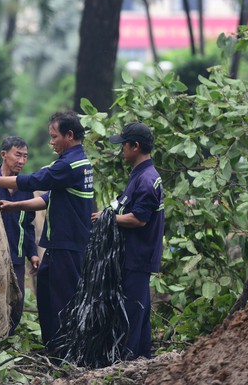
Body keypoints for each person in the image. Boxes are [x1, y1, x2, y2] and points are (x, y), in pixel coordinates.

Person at [0, 111, 93, 349]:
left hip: (68, 243)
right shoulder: (74, 162)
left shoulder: (70, 164)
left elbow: (35, 181)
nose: (51, 142)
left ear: (69, 135)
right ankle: (53, 347)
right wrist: (15, 206)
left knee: (63, 300)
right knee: (45, 291)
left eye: (54, 137)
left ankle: (67, 351)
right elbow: (47, 198)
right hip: (56, 244)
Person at [91, 121, 164, 359]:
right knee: (140, 310)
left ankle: (128, 361)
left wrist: (108, 217)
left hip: (138, 256)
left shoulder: (146, 179)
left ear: (135, 146)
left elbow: (139, 219)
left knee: (130, 312)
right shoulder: (140, 175)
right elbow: (124, 204)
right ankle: (144, 358)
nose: (121, 149)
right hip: (133, 255)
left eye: (124, 145)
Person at [0, 136, 40, 335]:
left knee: (16, 302)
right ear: (4, 155)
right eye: (18, 155)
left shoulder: (25, 188)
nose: (22, 161)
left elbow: (28, 224)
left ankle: (6, 337)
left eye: (25, 156)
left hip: (16, 257)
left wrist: (32, 253)